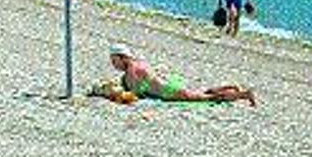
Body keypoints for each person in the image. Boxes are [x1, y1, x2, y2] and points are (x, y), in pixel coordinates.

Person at [109, 45, 255, 106]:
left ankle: (243, 95)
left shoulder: (132, 70)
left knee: (208, 98)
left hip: (170, 92)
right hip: (169, 86)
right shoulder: (138, 63)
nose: (114, 65)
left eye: (114, 61)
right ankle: (231, 87)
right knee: (202, 93)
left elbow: (136, 94)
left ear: (123, 57)